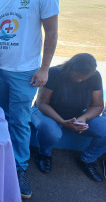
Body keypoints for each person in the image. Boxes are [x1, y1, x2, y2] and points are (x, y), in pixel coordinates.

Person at [0, 0, 59, 199]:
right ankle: (1, 161)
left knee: (18, 121)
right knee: (0, 118)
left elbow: (51, 33)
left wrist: (45, 68)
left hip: (24, 73)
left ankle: (19, 168)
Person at [32, 53, 105, 182]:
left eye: (84, 77)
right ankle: (44, 154)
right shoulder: (55, 73)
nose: (80, 80)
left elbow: (98, 105)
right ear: (70, 67)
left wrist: (83, 118)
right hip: (47, 111)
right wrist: (62, 122)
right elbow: (42, 103)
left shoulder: (95, 77)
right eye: (77, 75)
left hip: (76, 114)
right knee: (50, 130)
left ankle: (87, 159)